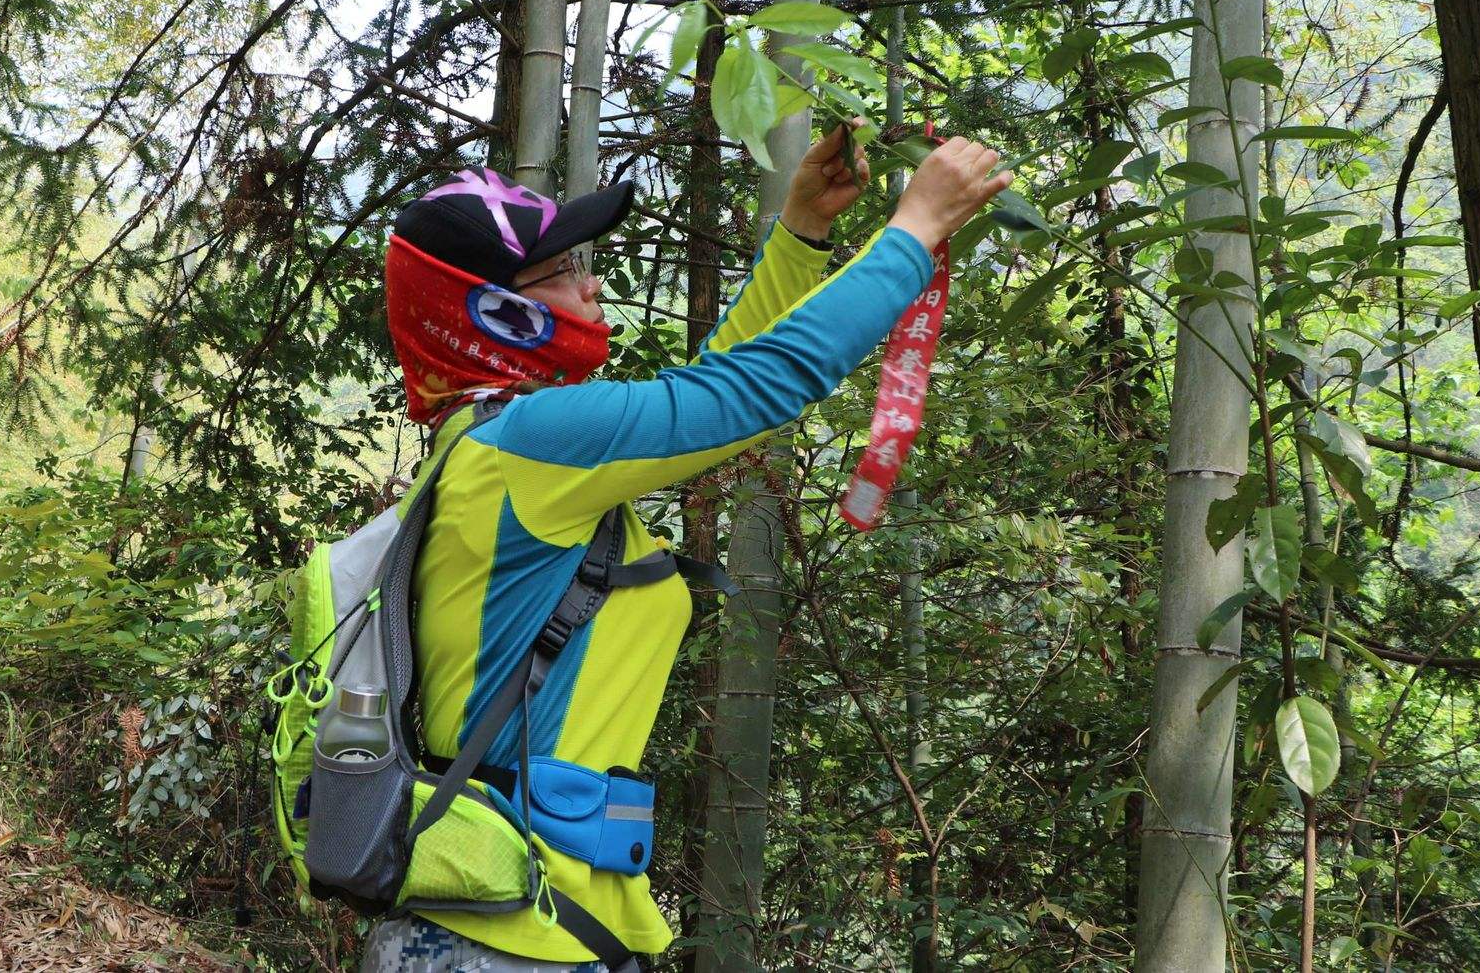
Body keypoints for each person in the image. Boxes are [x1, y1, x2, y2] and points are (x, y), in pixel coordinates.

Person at [367, 123, 1012, 971]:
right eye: (561, 269)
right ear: (491, 308)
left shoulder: (495, 445)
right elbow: (751, 389)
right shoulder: (528, 443)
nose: (591, 284)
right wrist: (914, 232)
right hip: (503, 942)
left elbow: (720, 381)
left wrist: (800, 234)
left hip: (523, 926)